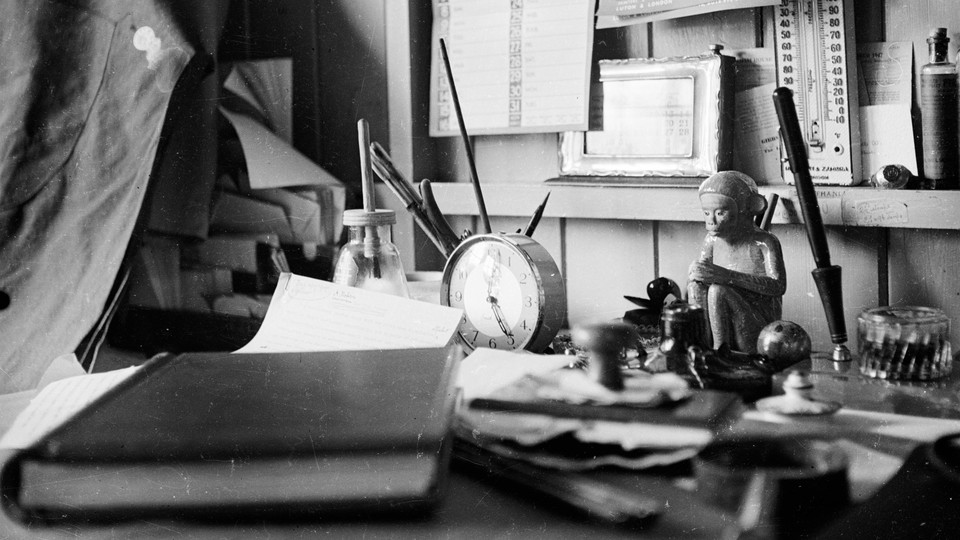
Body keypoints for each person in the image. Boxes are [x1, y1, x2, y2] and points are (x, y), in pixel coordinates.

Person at [687, 171, 786, 354]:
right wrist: (697, 273)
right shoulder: (712, 240)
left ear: (749, 208)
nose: (711, 221)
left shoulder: (765, 242)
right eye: (707, 213)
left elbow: (778, 286)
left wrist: (727, 276)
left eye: (720, 212)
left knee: (718, 289)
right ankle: (702, 347)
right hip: (723, 322)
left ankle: (720, 353)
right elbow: (704, 276)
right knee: (695, 286)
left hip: (758, 331)